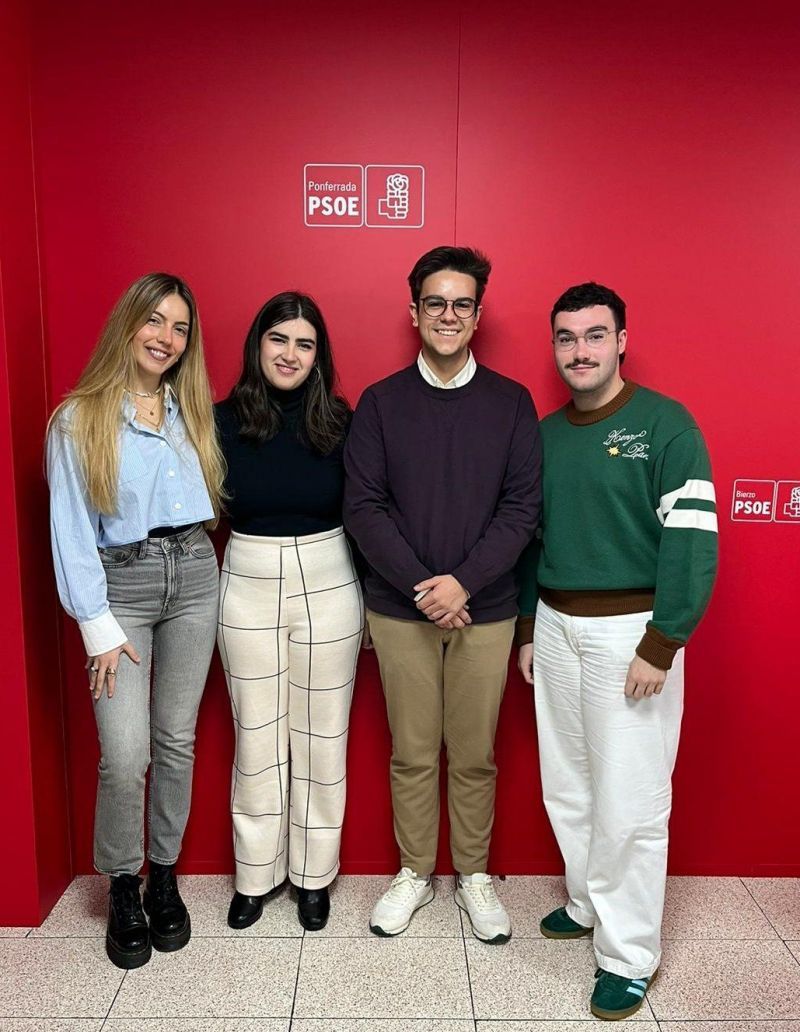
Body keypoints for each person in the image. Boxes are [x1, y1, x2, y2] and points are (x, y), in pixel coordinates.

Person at [517, 282, 718, 1018]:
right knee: (568, 783)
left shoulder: (667, 426)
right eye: (566, 338)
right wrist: (530, 626)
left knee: (630, 801)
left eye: (594, 336)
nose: (580, 351)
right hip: (558, 627)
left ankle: (630, 956)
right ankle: (587, 901)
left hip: (632, 633)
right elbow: (531, 542)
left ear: (622, 340)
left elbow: (693, 542)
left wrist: (661, 644)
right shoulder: (542, 435)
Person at [344, 246, 542, 943]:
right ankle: (415, 874)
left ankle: (475, 876)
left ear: (478, 315)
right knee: (413, 751)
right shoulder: (381, 403)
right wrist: (428, 590)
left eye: (461, 304)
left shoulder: (512, 404)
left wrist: (462, 583)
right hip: (401, 610)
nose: (448, 315)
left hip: (485, 610)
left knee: (476, 752)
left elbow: (521, 511)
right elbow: (365, 508)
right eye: (435, 303)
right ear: (415, 312)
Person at [47, 273, 225, 969]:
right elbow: (70, 530)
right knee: (126, 756)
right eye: (155, 321)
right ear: (128, 324)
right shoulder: (79, 418)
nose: (166, 338)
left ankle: (165, 875)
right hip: (121, 584)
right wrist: (96, 624)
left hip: (195, 574)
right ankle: (124, 883)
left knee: (175, 739)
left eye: (179, 328)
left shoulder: (191, 410)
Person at [216, 291, 364, 933]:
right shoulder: (219, 418)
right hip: (246, 573)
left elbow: (367, 512)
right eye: (279, 339)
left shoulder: (343, 420)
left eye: (305, 344)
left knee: (322, 736)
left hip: (330, 573)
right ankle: (256, 876)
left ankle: (312, 877)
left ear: (318, 356)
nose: (290, 354)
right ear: (259, 345)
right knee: (258, 738)